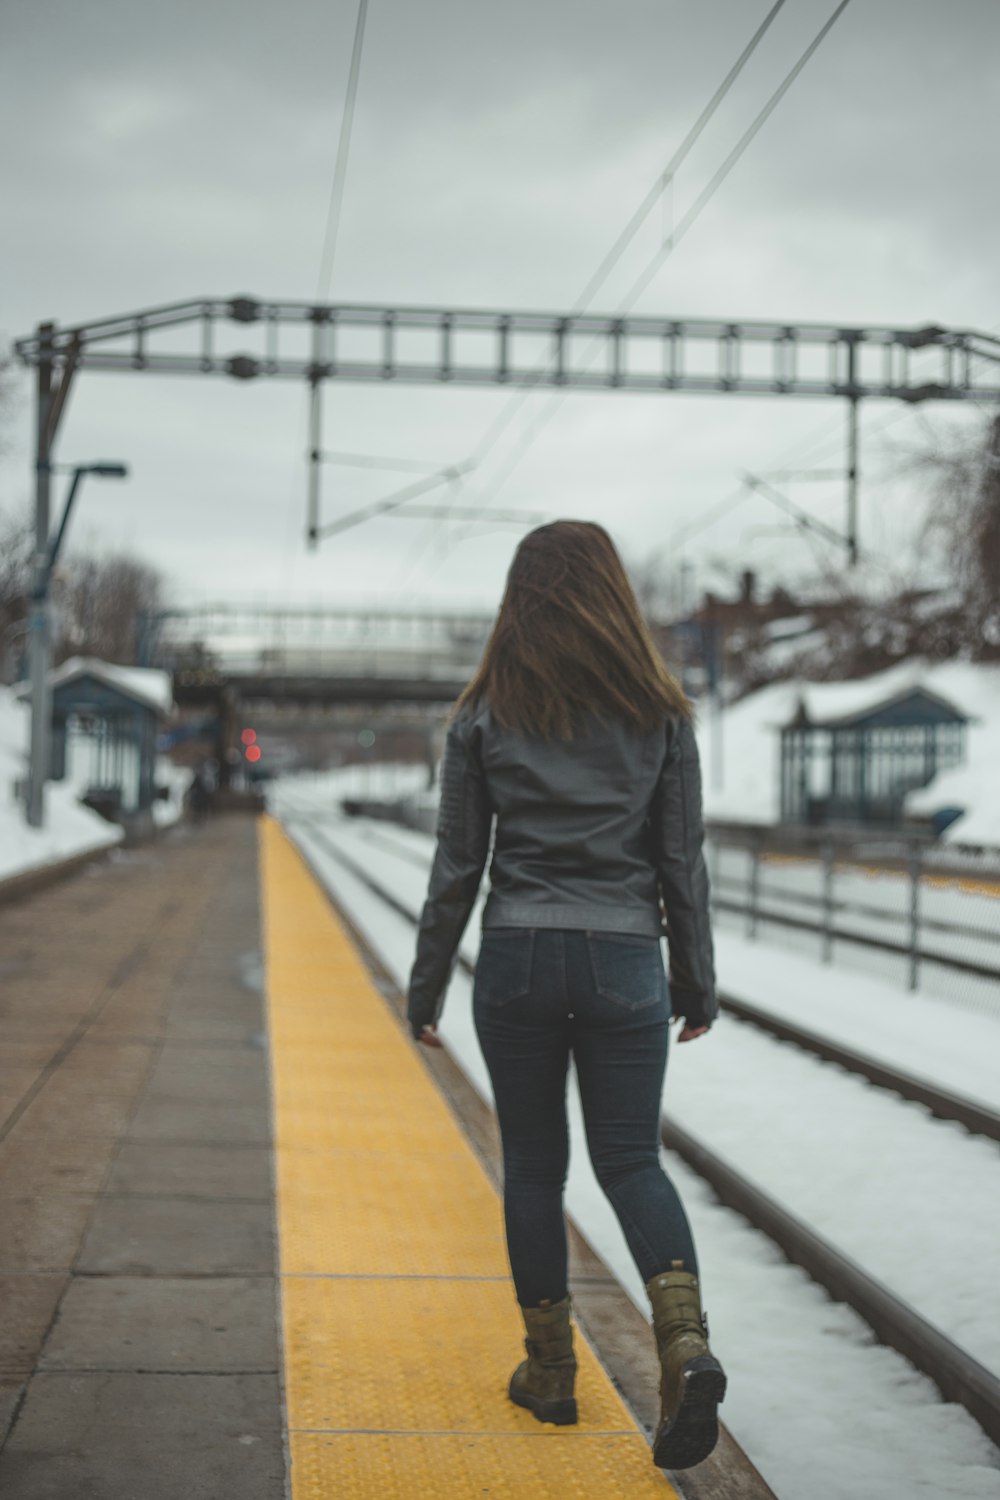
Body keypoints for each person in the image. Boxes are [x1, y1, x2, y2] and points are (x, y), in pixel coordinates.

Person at [406, 520, 725, 1471]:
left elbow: (458, 863)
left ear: (521, 600)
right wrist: (695, 981)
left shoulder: (484, 714)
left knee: (535, 1170)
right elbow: (682, 863)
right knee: (632, 1162)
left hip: (517, 962)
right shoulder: (662, 714)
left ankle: (550, 1376)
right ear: (615, 596)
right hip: (627, 962)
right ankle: (687, 1347)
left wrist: (423, 986)